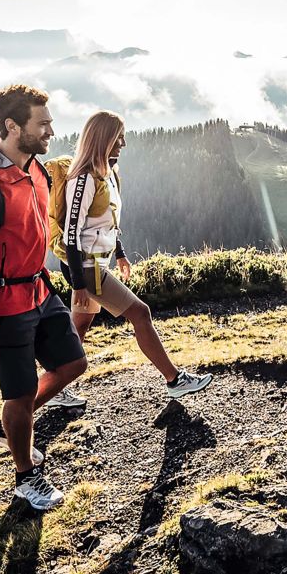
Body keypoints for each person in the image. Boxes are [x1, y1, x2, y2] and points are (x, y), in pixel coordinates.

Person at [0, 84, 87, 511]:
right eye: (42, 124)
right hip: (2, 309)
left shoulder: (34, 170)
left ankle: (8, 426)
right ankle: (27, 477)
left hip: (39, 290)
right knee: (19, 395)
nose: (50, 131)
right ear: (12, 126)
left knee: (73, 363)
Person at [51, 110, 212, 399]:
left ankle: (55, 387)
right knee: (140, 312)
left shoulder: (109, 172)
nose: (123, 143)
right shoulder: (83, 178)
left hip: (95, 262)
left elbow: (109, 221)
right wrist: (78, 284)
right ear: (103, 139)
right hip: (85, 267)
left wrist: (121, 254)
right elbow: (71, 235)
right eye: (119, 138)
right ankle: (175, 380)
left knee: (80, 326)